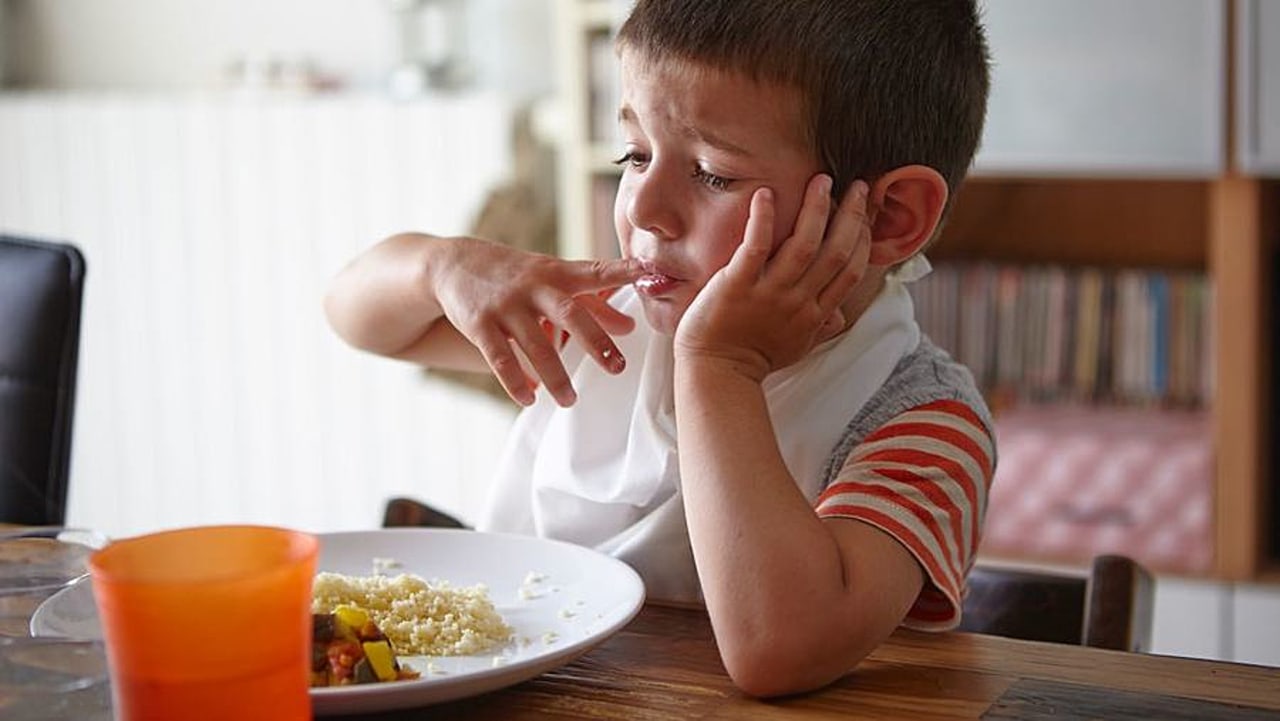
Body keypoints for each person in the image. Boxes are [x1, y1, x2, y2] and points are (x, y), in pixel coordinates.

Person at [324, 0, 994, 698]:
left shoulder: (925, 423)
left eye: (712, 174)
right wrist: (441, 265)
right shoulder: (598, 323)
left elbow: (779, 649)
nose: (643, 206)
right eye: (635, 154)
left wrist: (718, 366)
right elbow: (360, 318)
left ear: (889, 217)